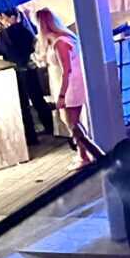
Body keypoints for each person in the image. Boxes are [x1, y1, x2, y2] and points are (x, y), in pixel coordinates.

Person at [35, 9, 98, 165]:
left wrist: (62, 95)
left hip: (70, 85)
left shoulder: (60, 42)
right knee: (70, 121)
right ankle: (83, 153)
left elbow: (67, 69)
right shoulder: (57, 41)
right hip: (65, 84)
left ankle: (86, 154)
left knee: (72, 122)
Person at [0, 6, 51, 143]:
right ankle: (50, 127)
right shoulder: (26, 30)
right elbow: (33, 46)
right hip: (30, 68)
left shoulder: (4, 35)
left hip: (16, 71)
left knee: (23, 104)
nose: (2, 20)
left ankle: (31, 136)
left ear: (11, 17)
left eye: (3, 18)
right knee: (38, 99)